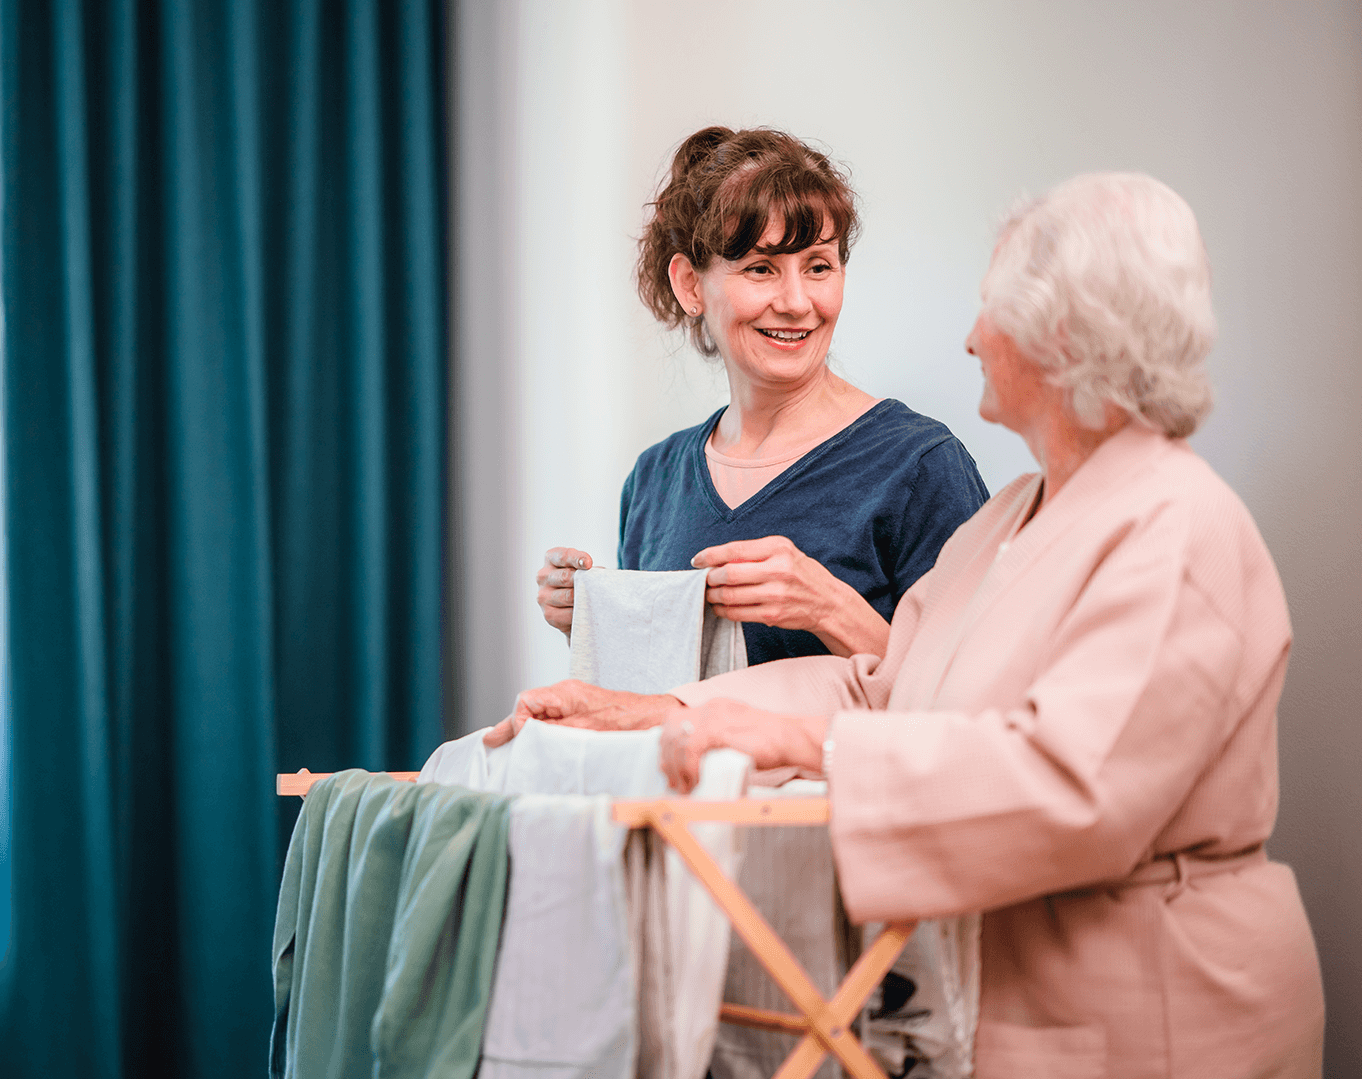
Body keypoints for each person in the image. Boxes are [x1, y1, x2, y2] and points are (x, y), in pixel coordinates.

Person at [491, 173, 1326, 1077]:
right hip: (1015, 995)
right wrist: (662, 713)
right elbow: (881, 685)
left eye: (990, 312)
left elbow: (1070, 788)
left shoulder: (1176, 526)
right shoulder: (1015, 516)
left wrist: (818, 749)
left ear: (1065, 338)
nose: (969, 338)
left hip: (1160, 1008)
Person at [536, 126, 987, 663]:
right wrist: (601, 620)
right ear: (690, 286)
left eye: (819, 266)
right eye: (760, 269)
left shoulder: (919, 466)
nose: (797, 302)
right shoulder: (654, 481)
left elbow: (972, 703)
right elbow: (662, 699)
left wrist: (827, 609)